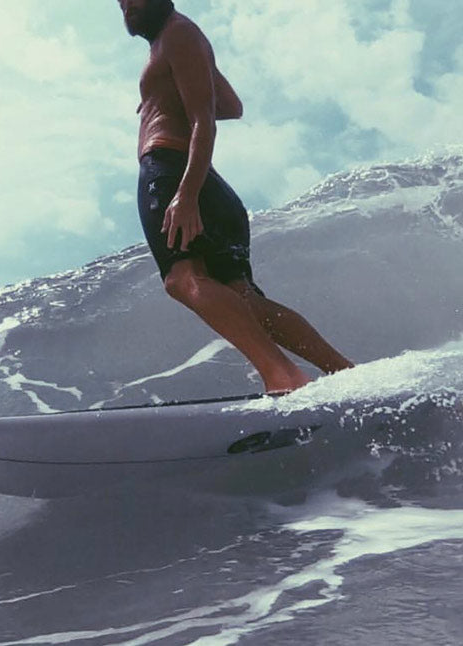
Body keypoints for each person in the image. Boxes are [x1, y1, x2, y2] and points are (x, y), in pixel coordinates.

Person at [118, 0, 354, 393]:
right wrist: (170, 96)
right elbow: (229, 105)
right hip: (207, 186)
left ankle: (283, 377)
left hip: (175, 171)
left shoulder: (178, 33)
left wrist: (186, 193)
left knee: (182, 278)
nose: (126, 6)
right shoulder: (177, 40)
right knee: (242, 298)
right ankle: (344, 372)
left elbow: (204, 117)